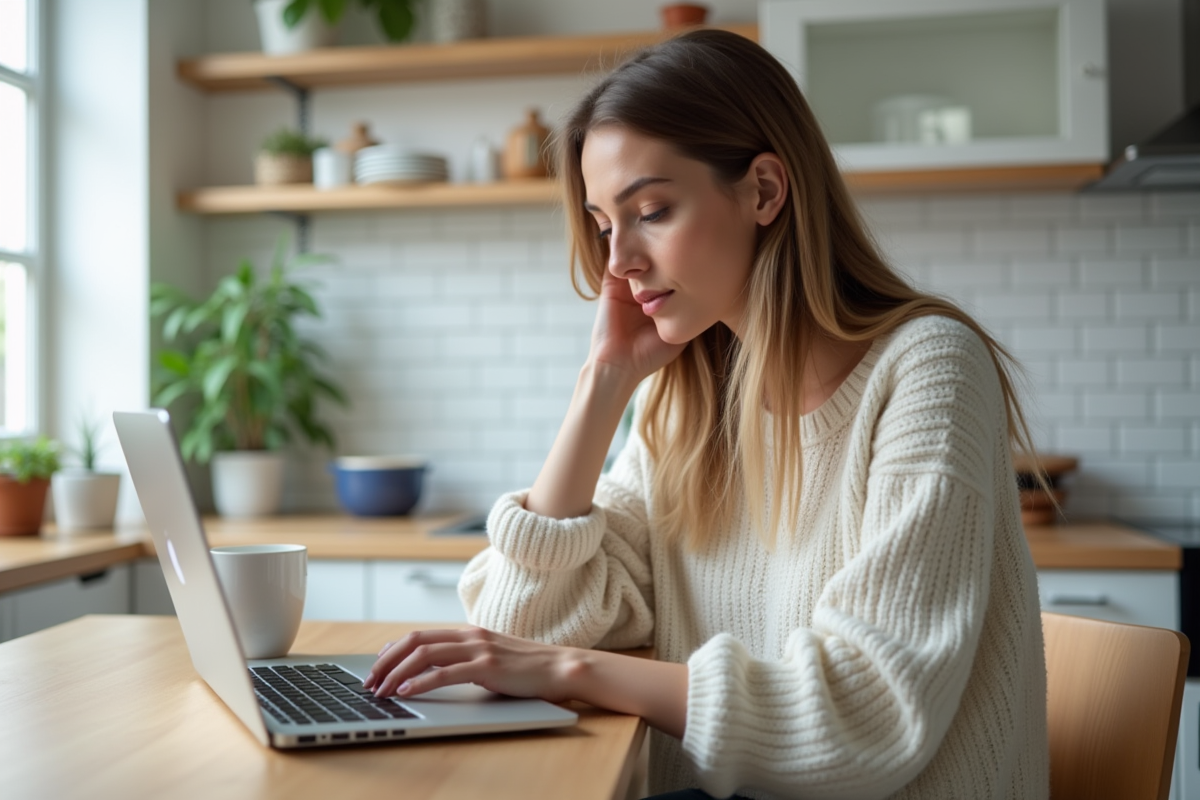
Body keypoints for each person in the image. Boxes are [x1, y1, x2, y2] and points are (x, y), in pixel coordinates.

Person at [363, 29, 1049, 800]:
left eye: (650, 210)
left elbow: (866, 717)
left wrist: (573, 670)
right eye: (602, 225)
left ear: (763, 190)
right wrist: (602, 385)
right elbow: (521, 630)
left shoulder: (926, 367)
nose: (618, 261)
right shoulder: (687, 393)